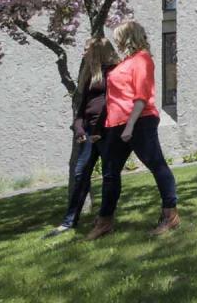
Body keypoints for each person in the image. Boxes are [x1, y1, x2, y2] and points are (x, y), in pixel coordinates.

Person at [86, 21, 181, 240]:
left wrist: (130, 126)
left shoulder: (142, 59)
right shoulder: (125, 62)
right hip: (114, 125)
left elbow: (141, 96)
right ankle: (105, 222)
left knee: (156, 165)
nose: (116, 41)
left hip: (139, 122)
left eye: (119, 37)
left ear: (129, 37)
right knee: (110, 174)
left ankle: (170, 214)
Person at [45, 38, 121, 238]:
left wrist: (98, 130)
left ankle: (106, 218)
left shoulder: (114, 72)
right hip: (89, 132)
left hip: (107, 130)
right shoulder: (90, 75)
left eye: (86, 49)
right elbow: (82, 107)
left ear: (98, 51)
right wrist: (79, 128)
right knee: (80, 174)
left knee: (109, 174)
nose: (83, 52)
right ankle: (69, 221)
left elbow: (113, 102)